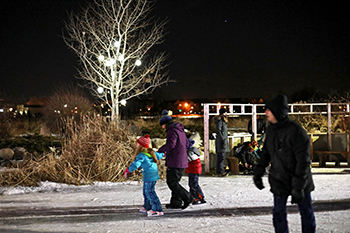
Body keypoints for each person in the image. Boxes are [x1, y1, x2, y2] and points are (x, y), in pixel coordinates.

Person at [253, 95, 316, 233]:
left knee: (306, 213)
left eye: (268, 110)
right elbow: (266, 154)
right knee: (278, 214)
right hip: (279, 179)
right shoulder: (271, 131)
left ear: (277, 111)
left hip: (299, 179)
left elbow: (303, 162)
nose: (266, 113)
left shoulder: (297, 132)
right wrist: (258, 172)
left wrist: (299, 187)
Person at [157, 110, 192, 209]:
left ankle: (187, 197)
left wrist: (161, 150)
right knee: (175, 182)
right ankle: (176, 203)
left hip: (175, 160)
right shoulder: (180, 129)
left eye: (162, 125)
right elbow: (186, 143)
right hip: (181, 159)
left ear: (166, 124)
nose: (162, 128)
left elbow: (171, 144)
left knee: (172, 182)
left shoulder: (171, 131)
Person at [124, 135, 165, 217]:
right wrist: (164, 153)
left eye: (137, 143)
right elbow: (160, 155)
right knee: (146, 191)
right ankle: (147, 206)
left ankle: (157, 209)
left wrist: (128, 170)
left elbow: (136, 164)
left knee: (149, 192)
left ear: (140, 145)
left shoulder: (141, 155)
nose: (136, 144)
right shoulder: (151, 151)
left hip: (149, 175)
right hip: (152, 174)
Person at [185, 138, 206, 205]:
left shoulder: (191, 152)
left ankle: (197, 197)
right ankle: (196, 197)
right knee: (193, 184)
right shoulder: (193, 150)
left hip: (193, 170)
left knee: (193, 185)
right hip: (193, 170)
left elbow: (188, 160)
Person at [215, 107, 230, 177]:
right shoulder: (220, 122)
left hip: (223, 141)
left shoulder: (223, 121)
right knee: (221, 157)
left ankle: (221, 171)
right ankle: (220, 171)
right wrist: (223, 140)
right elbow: (219, 131)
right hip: (221, 142)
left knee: (222, 157)